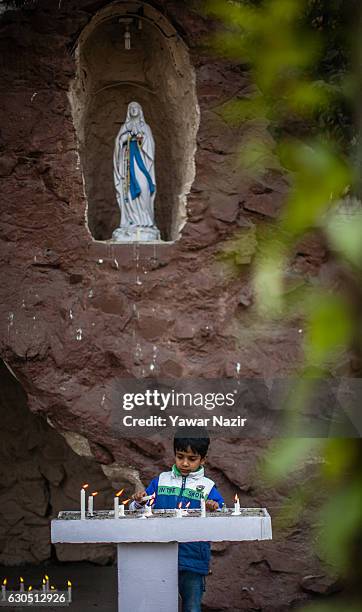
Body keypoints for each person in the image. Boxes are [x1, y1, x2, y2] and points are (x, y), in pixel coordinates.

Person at [129, 427, 224, 612]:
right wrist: (139, 502)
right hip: (160, 555)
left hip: (193, 558)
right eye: (180, 456)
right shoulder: (161, 481)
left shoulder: (207, 487)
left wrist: (213, 507)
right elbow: (135, 510)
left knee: (192, 607)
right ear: (174, 454)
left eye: (192, 458)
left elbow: (222, 513)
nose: (185, 463)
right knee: (160, 605)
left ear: (203, 459)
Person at [112, 100, 160, 241]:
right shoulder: (124, 127)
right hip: (127, 165)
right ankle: (130, 222)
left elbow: (150, 146)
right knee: (127, 191)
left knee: (144, 187)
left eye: (136, 107)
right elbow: (117, 146)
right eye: (131, 107)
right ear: (128, 111)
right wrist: (125, 138)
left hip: (142, 165)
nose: (133, 109)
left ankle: (146, 222)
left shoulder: (145, 127)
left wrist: (141, 138)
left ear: (140, 110)